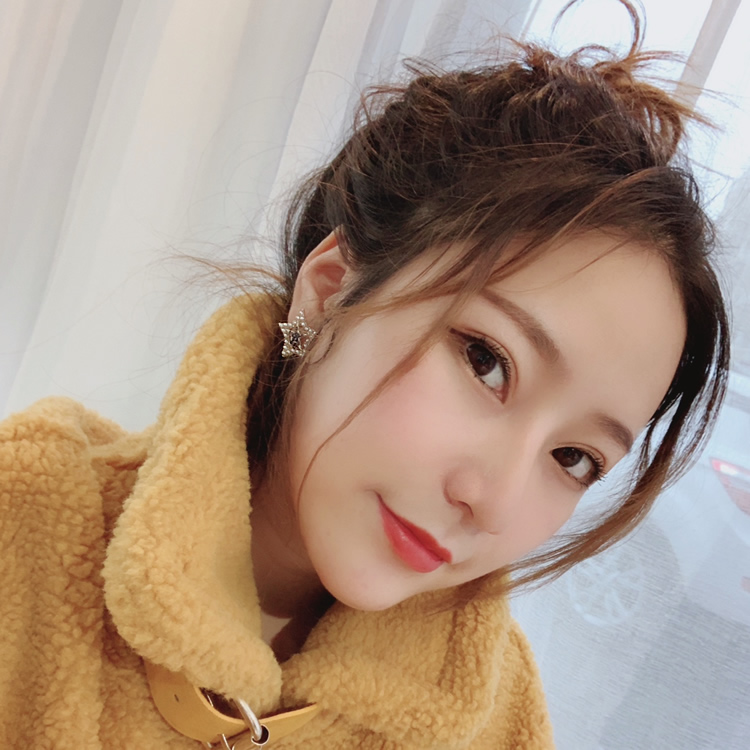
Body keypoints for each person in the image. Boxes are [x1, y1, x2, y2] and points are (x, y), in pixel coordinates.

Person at [0, 13, 730, 750]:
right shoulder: (25, 524)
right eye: (487, 362)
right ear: (327, 291)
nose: (494, 502)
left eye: (574, 459)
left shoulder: (495, 718)